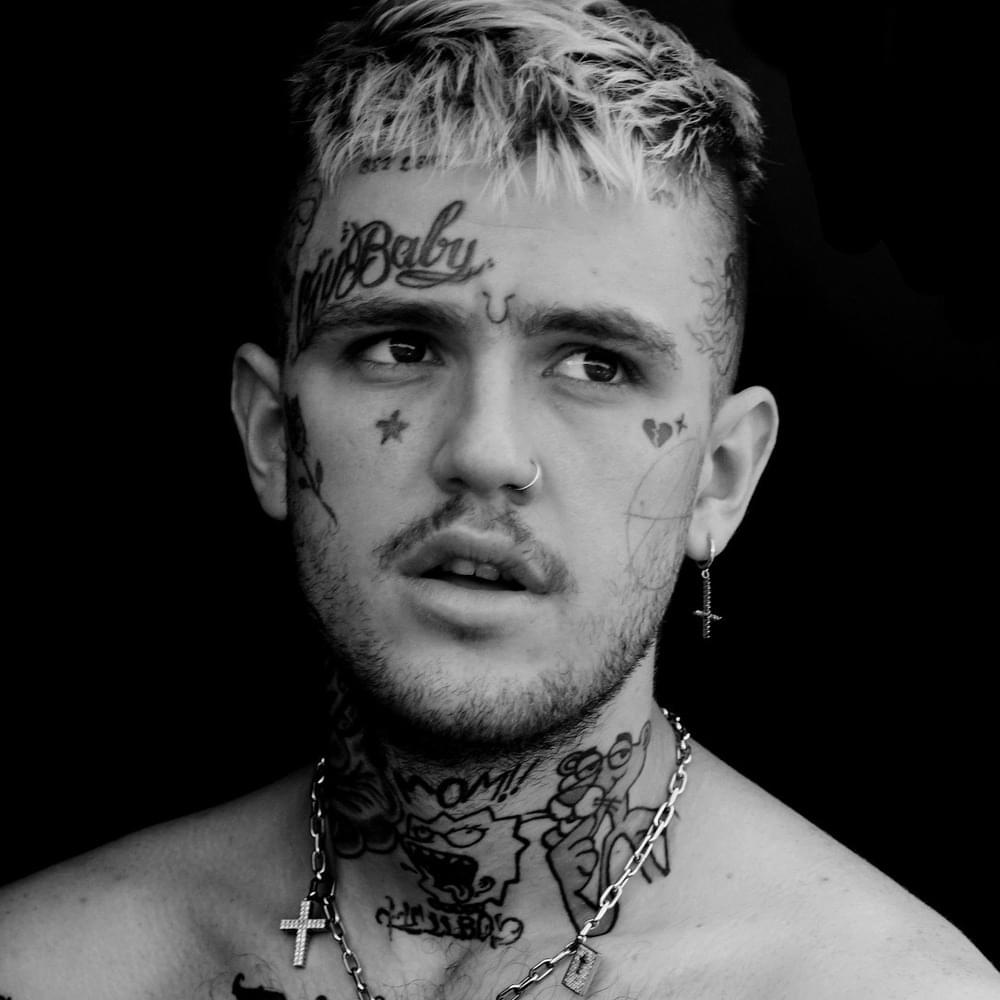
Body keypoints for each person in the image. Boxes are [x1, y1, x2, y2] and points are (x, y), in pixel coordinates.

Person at [2, 1, 997, 997]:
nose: (484, 452)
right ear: (273, 434)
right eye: (400, 346)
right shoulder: (47, 966)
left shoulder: (887, 986)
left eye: (596, 365)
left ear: (719, 477)